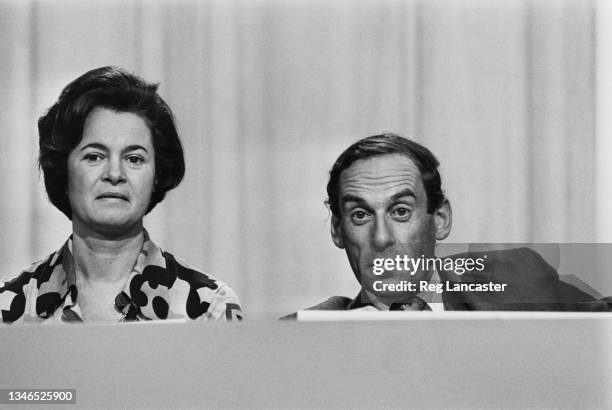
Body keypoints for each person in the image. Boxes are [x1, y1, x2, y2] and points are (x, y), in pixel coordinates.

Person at [0, 66, 243, 323]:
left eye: (134, 158)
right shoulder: (8, 310)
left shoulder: (208, 308)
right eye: (94, 156)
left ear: (157, 175)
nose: (115, 173)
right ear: (63, 170)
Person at [284, 133, 611, 317]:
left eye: (400, 211)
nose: (381, 238)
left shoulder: (520, 278)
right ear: (338, 232)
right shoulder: (308, 336)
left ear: (440, 220)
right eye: (360, 215)